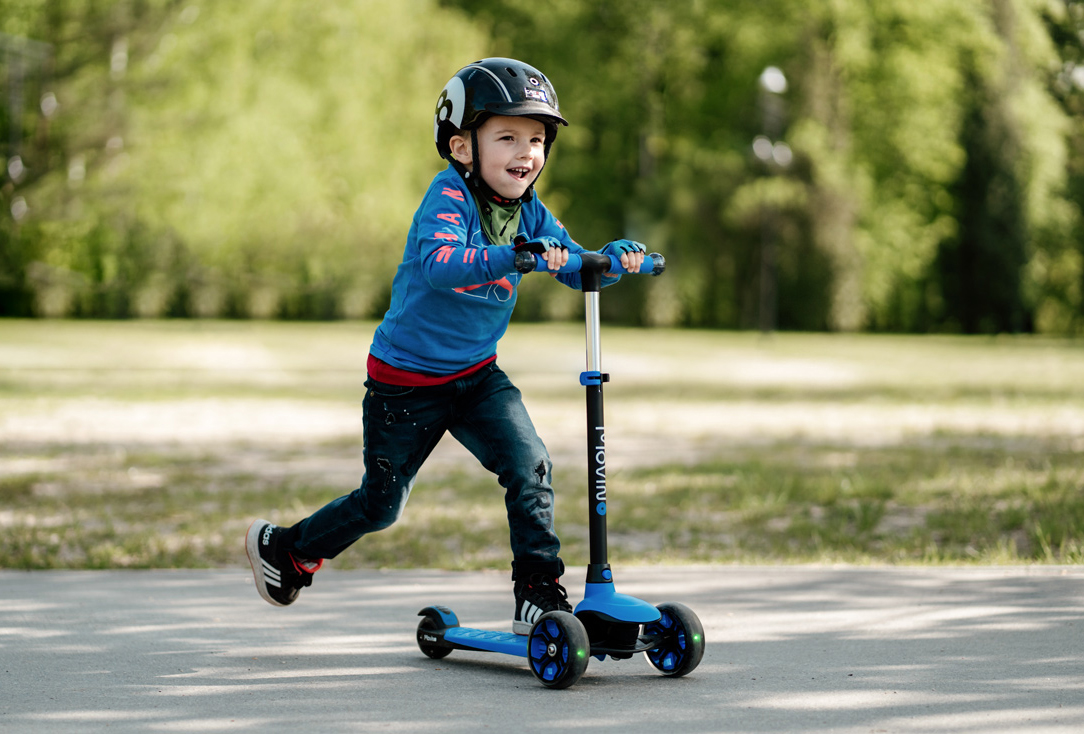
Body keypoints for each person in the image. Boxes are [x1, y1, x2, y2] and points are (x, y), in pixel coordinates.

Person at [246, 57, 645, 634]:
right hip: (405, 381)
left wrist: (612, 261)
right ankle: (287, 550)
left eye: (536, 139)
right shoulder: (449, 196)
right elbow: (439, 266)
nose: (525, 152)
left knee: (530, 464)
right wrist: (514, 256)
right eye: (506, 136)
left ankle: (538, 589)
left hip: (478, 377)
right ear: (462, 147)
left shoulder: (530, 210)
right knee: (381, 506)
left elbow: (572, 266)